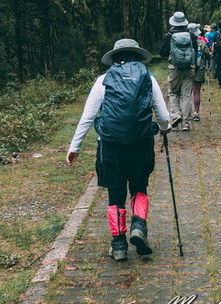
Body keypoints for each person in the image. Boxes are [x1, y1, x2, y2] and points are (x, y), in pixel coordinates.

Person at [66, 39, 171, 261]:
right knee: (139, 187)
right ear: (138, 57)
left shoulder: (103, 80)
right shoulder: (148, 78)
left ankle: (119, 245)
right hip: (141, 144)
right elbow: (162, 116)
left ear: (114, 59)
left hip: (111, 147)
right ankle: (139, 226)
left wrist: (74, 147)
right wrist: (164, 129)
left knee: (115, 192)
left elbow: (88, 117)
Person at [159, 11, 198, 131]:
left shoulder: (169, 35)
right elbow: (195, 50)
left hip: (175, 69)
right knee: (186, 95)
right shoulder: (191, 35)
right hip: (189, 68)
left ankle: (176, 115)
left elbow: (162, 53)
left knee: (173, 92)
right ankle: (186, 124)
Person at [188, 23, 211, 121]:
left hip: (186, 69)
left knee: (186, 92)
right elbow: (208, 55)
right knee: (196, 91)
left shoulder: (185, 43)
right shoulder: (202, 43)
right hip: (199, 69)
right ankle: (196, 112)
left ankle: (185, 112)